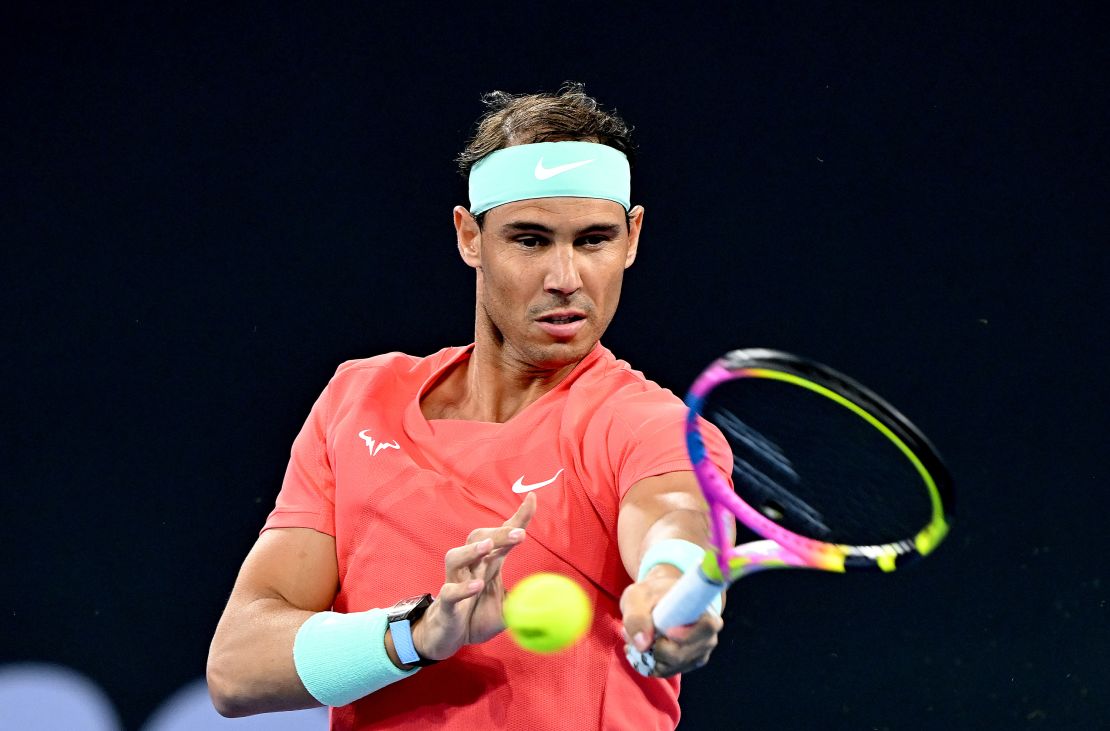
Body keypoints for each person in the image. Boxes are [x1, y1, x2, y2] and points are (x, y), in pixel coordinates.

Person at [207, 82, 732, 731]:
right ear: (469, 236)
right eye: (531, 240)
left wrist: (669, 583)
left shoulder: (644, 424)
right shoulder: (359, 399)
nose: (566, 276)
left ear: (632, 237)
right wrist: (421, 632)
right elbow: (235, 666)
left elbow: (675, 514)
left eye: (594, 239)